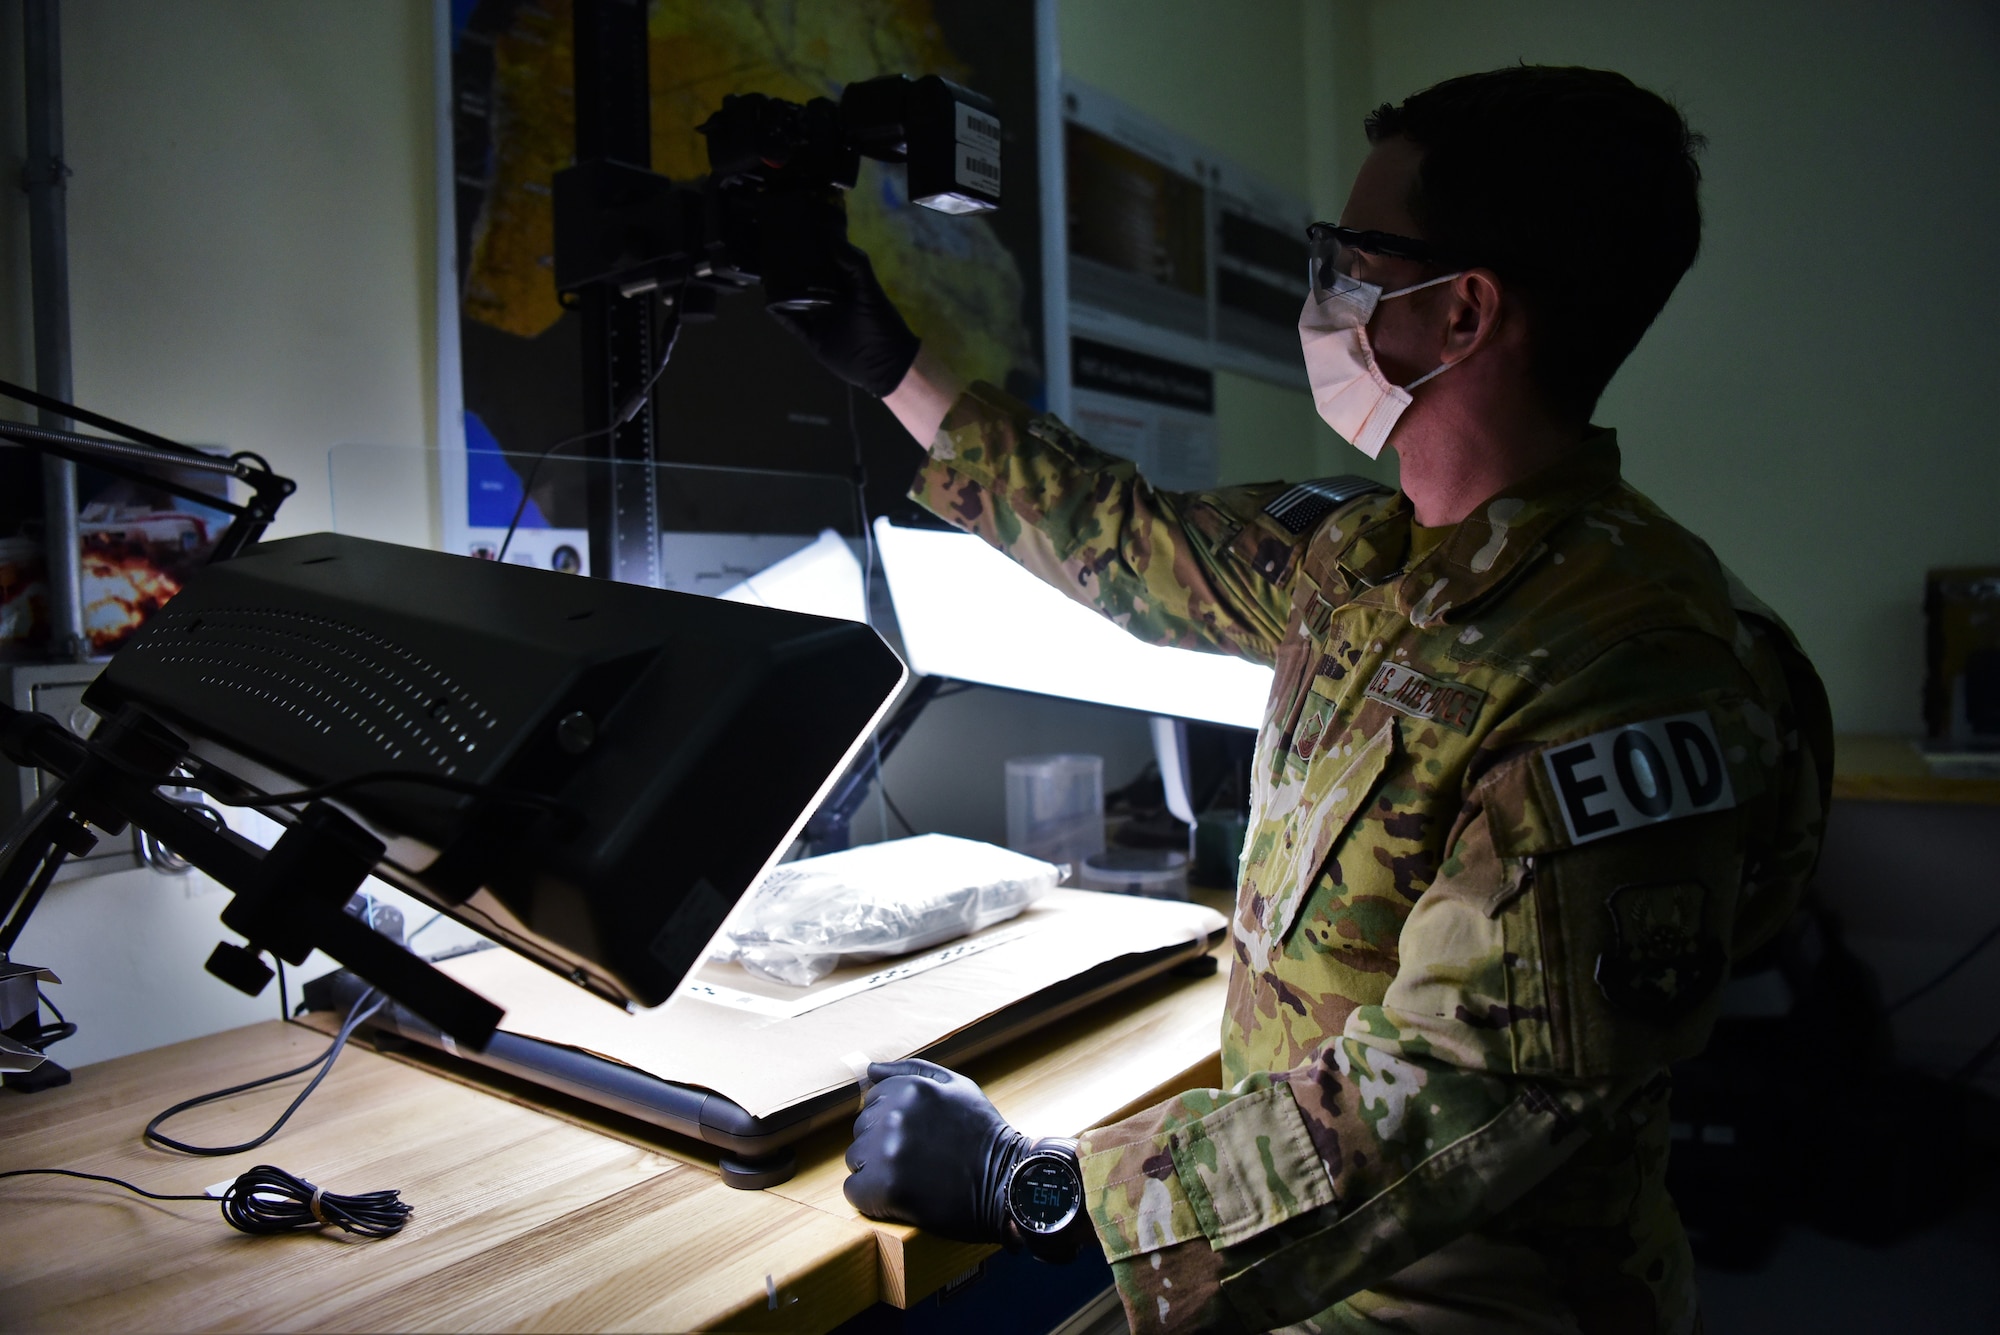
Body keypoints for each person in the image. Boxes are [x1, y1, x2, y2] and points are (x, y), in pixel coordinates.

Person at [774, 65, 1832, 1334]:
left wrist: (1045, 1188)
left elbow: (1463, 1095)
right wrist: (881, 351)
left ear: (1460, 314)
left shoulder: (1618, 661)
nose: (1318, 286)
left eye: (1349, 254)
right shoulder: (1374, 558)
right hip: (1291, 1270)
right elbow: (1126, 537)